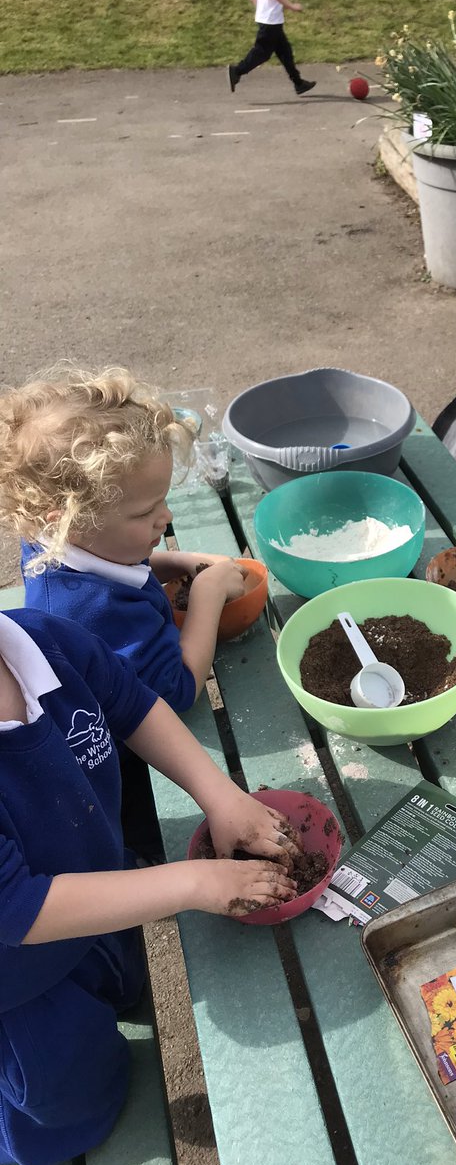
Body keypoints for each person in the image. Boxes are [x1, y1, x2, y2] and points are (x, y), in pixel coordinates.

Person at [0, 605, 298, 1165]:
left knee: (124, 984)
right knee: (76, 1107)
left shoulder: (41, 638)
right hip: (16, 982)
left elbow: (133, 703)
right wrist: (188, 882)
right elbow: (15, 907)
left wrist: (222, 796)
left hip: (98, 896)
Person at [0, 367, 248, 859]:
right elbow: (176, 691)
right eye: (144, 513)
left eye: (163, 500)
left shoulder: (52, 541)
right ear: (67, 518)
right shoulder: (89, 612)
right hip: (127, 761)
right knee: (146, 835)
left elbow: (113, 559)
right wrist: (207, 595)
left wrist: (176, 561)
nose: (167, 517)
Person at [228, 0, 316, 96]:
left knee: (285, 52)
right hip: (271, 22)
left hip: (268, 20)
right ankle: (237, 71)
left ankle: (298, 83)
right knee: (262, 52)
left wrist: (260, 6)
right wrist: (292, 6)